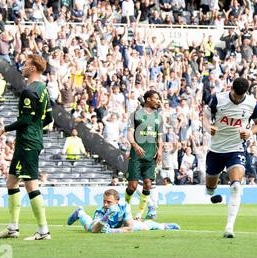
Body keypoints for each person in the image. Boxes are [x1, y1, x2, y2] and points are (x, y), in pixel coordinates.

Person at [0, 54, 53, 240]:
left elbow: (26, 119)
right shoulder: (43, 89)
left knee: (30, 184)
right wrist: (35, 130)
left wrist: (4, 129)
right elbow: (49, 118)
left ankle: (43, 231)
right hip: (30, 139)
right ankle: (12, 229)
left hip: (28, 142)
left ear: (33, 68)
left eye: (26, 64)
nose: (23, 66)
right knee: (12, 181)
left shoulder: (30, 91)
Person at [203, 77, 257, 238]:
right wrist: (208, 127)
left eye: (240, 96)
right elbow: (205, 116)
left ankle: (229, 227)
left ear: (246, 93)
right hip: (216, 149)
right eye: (236, 96)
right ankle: (211, 194)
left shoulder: (252, 103)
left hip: (236, 148)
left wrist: (250, 132)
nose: (238, 99)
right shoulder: (218, 98)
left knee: (236, 185)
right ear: (231, 89)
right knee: (210, 186)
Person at [66, 189, 180, 233]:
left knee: (144, 227)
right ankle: (80, 213)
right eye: (104, 201)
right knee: (88, 228)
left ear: (117, 201)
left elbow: (129, 227)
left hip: (116, 227)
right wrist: (105, 218)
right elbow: (95, 230)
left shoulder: (124, 206)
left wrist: (112, 231)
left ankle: (164, 226)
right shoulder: (100, 211)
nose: (105, 204)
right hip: (100, 225)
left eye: (109, 202)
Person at [125, 90, 163, 220]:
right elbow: (129, 133)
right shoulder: (135, 115)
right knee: (132, 187)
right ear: (148, 99)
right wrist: (134, 146)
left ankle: (139, 214)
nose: (158, 101)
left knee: (147, 184)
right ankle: (125, 208)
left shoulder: (159, 117)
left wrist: (160, 150)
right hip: (137, 155)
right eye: (156, 98)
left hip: (151, 156)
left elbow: (160, 137)